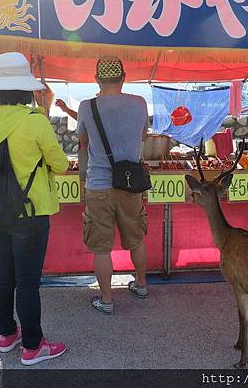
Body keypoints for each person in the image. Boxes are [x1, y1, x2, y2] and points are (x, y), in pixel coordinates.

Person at [0, 52, 69, 364]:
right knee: (28, 283)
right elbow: (59, 164)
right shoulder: (34, 121)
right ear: (24, 88)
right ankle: (33, 346)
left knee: (5, 275)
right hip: (30, 212)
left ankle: (7, 334)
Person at [76, 56, 149, 315]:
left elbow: (83, 141)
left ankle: (107, 300)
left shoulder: (86, 106)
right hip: (131, 184)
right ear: (124, 77)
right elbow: (143, 135)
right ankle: (141, 285)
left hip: (98, 185)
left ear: (97, 79)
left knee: (102, 247)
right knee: (136, 239)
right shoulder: (139, 104)